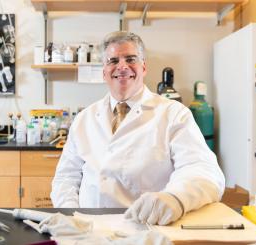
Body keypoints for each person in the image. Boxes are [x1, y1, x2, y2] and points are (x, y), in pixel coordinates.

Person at [50, 31, 225, 225]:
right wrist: (71, 214)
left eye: (130, 59)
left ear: (143, 67)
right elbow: (66, 177)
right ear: (104, 71)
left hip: (146, 228)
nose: (122, 66)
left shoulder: (174, 114)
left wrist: (176, 198)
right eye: (113, 60)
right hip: (89, 229)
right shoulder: (84, 119)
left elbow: (202, 169)